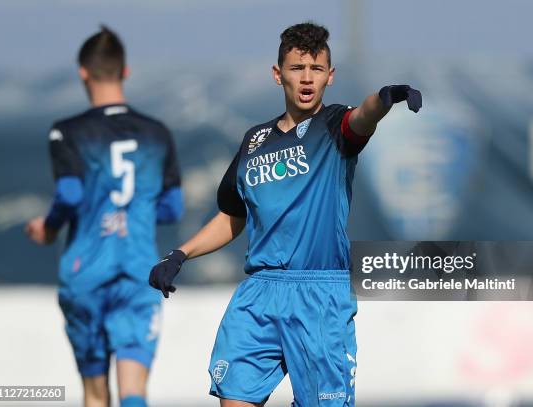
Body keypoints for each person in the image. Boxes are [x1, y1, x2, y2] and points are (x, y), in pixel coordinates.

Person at [149, 21, 421, 407]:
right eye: (297, 68)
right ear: (279, 75)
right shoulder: (254, 142)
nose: (307, 79)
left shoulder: (335, 128)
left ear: (330, 75)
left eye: (316, 69)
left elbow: (364, 116)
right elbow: (232, 215)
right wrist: (179, 254)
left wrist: (386, 97)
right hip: (260, 293)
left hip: (319, 294)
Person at [25, 26, 183, 407]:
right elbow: (172, 208)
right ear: (125, 71)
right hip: (138, 271)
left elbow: (70, 193)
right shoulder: (157, 133)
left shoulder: (67, 132)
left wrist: (46, 228)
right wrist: (135, 212)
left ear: (83, 72)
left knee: (96, 395)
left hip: (86, 272)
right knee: (134, 391)